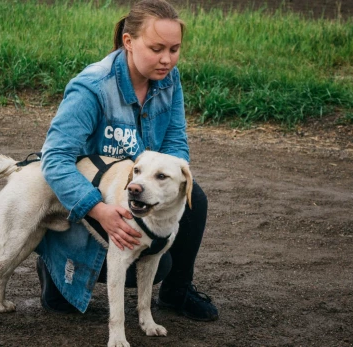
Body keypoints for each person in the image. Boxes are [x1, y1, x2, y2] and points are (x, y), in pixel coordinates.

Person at [34, 0, 218, 322]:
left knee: (194, 198)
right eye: (157, 48)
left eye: (174, 49)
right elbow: (55, 159)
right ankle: (55, 258)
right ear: (128, 42)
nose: (167, 59)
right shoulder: (91, 87)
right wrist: (99, 210)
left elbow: (175, 142)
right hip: (87, 203)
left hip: (134, 192)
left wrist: (170, 179)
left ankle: (177, 291)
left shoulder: (169, 80)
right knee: (75, 301)